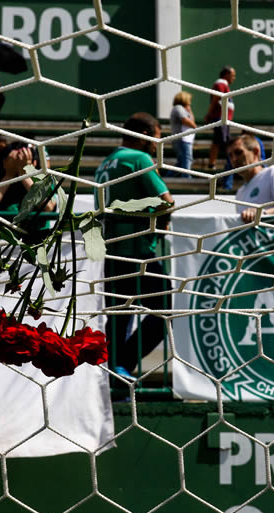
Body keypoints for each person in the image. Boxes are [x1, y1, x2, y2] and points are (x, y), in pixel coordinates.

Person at [93, 112, 174, 380]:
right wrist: (161, 221)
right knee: (165, 308)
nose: (158, 145)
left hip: (111, 254)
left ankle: (114, 377)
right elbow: (166, 201)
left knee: (118, 318)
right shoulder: (139, 158)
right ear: (146, 135)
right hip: (138, 253)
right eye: (158, 138)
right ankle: (124, 364)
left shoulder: (104, 163)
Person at [227, 134, 274, 223]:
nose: (234, 159)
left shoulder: (273, 173)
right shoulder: (240, 193)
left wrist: (262, 213)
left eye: (238, 152)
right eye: (230, 155)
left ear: (256, 152)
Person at [205, 66, 236, 171]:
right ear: (226, 75)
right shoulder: (220, 84)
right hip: (220, 118)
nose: (234, 78)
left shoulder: (224, 84)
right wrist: (209, 114)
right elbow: (215, 99)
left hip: (224, 119)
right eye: (232, 75)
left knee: (220, 141)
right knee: (222, 142)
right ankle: (222, 165)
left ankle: (216, 164)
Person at [169, 91, 197, 177]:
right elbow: (185, 120)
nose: (190, 102)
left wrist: (189, 110)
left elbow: (192, 120)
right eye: (189, 100)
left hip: (185, 139)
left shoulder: (184, 109)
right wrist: (194, 126)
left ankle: (167, 177)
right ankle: (187, 179)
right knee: (187, 159)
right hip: (181, 139)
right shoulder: (178, 108)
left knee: (181, 162)